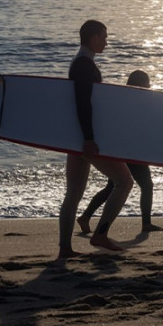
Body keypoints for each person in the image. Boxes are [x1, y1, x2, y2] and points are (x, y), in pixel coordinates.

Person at [57, 20, 133, 259]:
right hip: (87, 139)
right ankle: (100, 234)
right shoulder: (83, 65)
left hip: (76, 138)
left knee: (74, 194)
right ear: (93, 38)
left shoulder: (82, 62)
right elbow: (83, 104)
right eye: (104, 37)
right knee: (124, 182)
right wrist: (89, 139)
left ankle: (65, 249)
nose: (106, 42)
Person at [77, 70, 163, 234]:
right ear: (140, 84)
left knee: (112, 186)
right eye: (147, 83)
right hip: (132, 151)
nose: (149, 86)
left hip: (121, 149)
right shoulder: (137, 101)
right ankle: (146, 223)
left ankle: (86, 216)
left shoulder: (123, 99)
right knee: (146, 185)